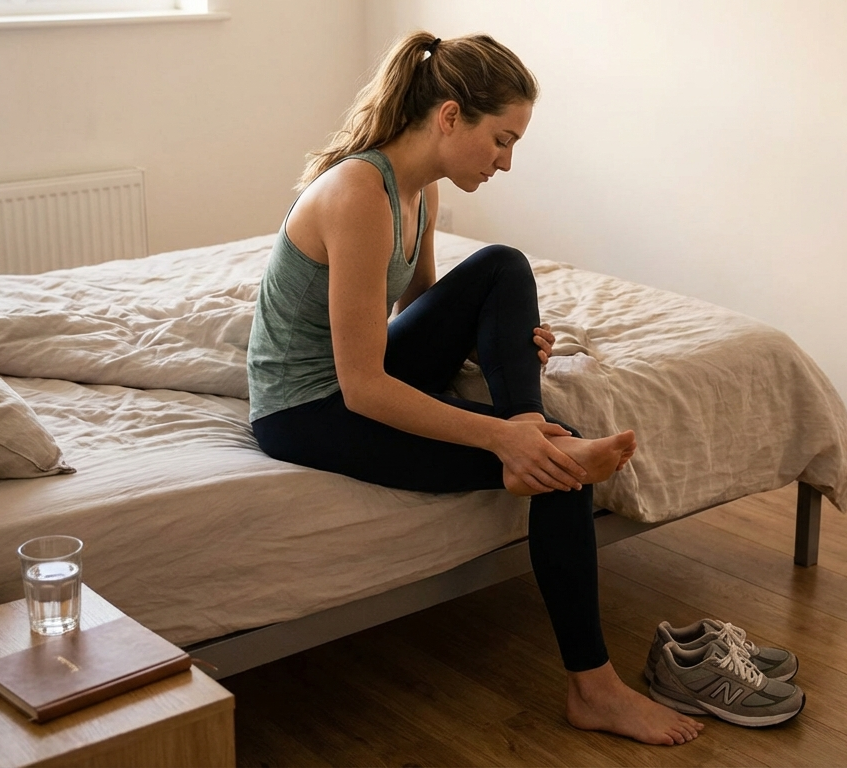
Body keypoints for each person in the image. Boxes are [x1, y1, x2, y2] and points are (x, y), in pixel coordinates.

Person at [247, 31, 702, 746]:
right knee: (559, 472)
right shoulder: (357, 193)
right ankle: (595, 692)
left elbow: (421, 314)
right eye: (501, 140)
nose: (506, 162)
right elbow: (364, 388)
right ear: (451, 116)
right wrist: (498, 437)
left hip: (363, 375)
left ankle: (532, 424)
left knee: (501, 268)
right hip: (308, 409)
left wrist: (509, 341)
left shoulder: (417, 188)